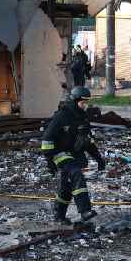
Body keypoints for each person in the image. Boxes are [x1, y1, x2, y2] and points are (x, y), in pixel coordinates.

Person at [41, 86, 106, 225]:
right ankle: (85, 211)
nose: (85, 105)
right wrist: (49, 160)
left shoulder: (83, 118)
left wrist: (98, 158)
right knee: (76, 174)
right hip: (59, 153)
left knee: (67, 187)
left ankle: (59, 216)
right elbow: (47, 138)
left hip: (75, 154)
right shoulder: (61, 116)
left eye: (86, 102)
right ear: (75, 101)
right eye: (83, 102)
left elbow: (87, 141)